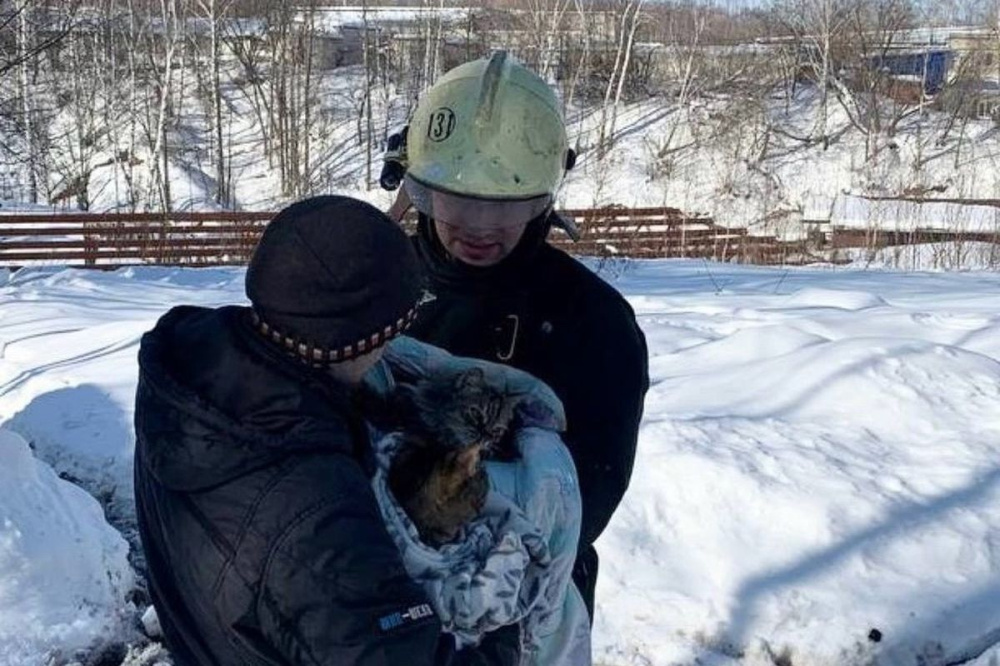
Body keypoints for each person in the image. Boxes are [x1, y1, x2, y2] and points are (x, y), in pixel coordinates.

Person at [133, 195, 519, 666]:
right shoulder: (314, 509)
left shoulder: (192, 386)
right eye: (392, 326)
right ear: (364, 336)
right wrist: (504, 637)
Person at [384, 52, 650, 621]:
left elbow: (589, 494)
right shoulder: (371, 290)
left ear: (544, 200)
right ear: (421, 189)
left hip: (528, 599)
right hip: (375, 592)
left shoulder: (592, 320)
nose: (480, 232)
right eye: (458, 202)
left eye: (507, 207)